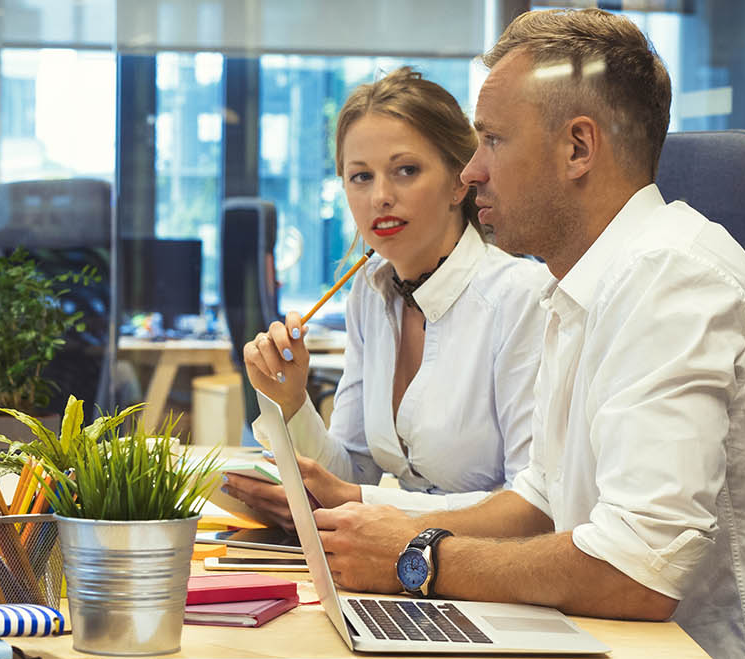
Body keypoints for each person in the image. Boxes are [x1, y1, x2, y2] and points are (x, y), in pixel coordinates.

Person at [312, 8, 745, 659]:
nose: (473, 171)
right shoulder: (584, 285)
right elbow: (538, 504)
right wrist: (369, 515)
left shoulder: (671, 277)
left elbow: (635, 571)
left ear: (578, 148)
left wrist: (421, 560)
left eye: (493, 140)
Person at [222, 67, 551, 530]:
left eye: (406, 171)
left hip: (489, 573)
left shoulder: (522, 297)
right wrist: (293, 402)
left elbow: (534, 510)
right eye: (360, 177)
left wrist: (364, 501)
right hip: (396, 567)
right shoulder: (370, 293)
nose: (380, 197)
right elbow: (352, 470)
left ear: (460, 182)